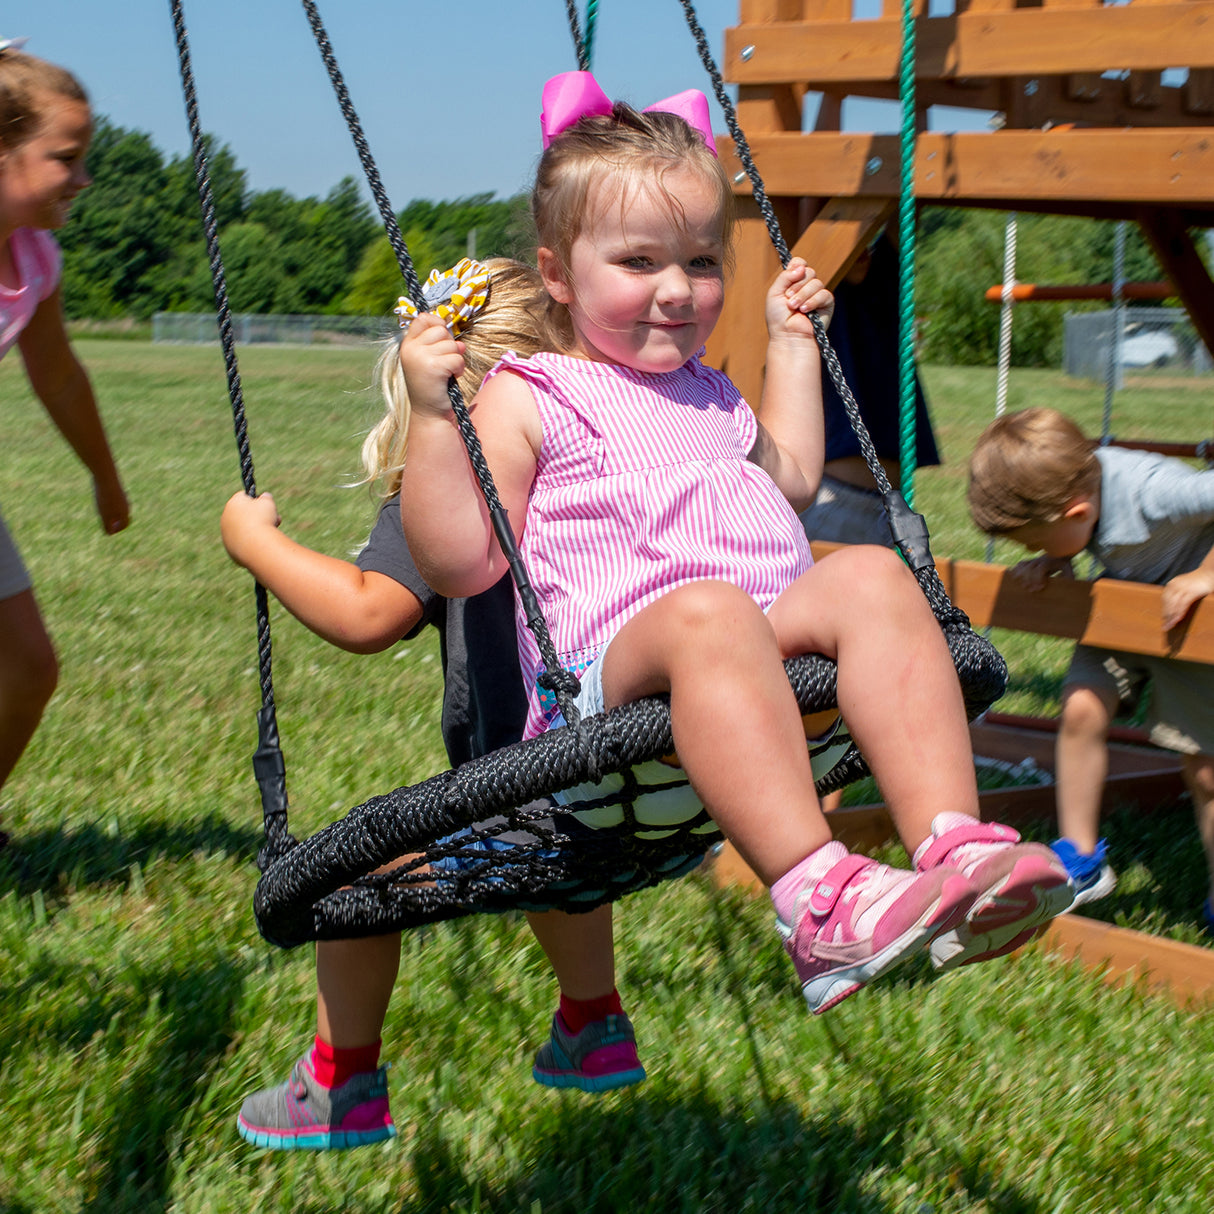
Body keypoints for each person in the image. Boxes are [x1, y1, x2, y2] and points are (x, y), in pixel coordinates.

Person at [399, 71, 1073, 1021]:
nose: (678, 291)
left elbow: (791, 479)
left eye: (702, 263)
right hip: (602, 712)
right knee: (710, 613)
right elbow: (460, 562)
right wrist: (437, 419)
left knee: (873, 573)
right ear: (557, 274)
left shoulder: (712, 392)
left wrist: (791, 343)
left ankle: (957, 847)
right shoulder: (530, 392)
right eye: (639, 263)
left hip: (755, 673)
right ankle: (817, 903)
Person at [225, 258, 645, 1153]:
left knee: (349, 880)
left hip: (524, 781)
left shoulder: (455, 474)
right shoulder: (619, 449)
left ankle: (341, 1086)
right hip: (630, 769)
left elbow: (369, 612)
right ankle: (595, 1022)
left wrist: (257, 545)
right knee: (566, 851)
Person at [968, 406, 1214, 932]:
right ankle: (1081, 859)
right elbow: (1074, 539)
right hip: (1123, 609)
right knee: (1081, 707)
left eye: (1034, 542)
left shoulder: (1155, 491)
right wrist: (1055, 562)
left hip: (1189, 624)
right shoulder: (1077, 491)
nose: (1031, 550)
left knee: (1206, 768)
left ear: (1078, 512)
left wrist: (1206, 573)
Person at [0, 41, 129, 846]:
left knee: (29, 666)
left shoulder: (31, 258)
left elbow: (58, 375)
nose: (82, 179)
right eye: (65, 158)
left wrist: (105, 478)